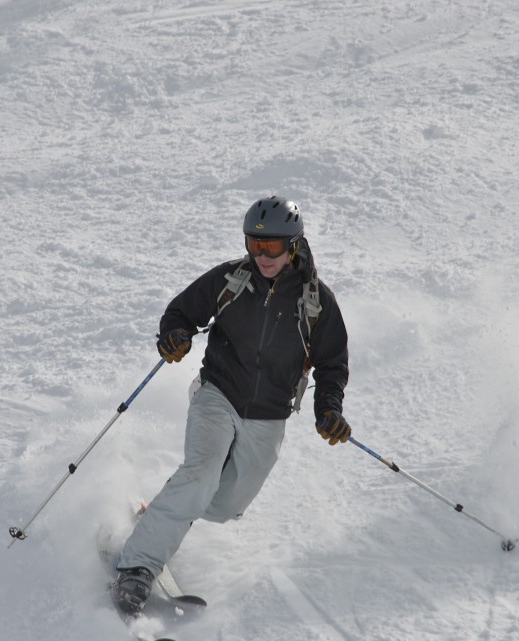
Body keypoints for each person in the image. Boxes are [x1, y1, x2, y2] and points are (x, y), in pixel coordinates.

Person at [113, 195, 352, 616]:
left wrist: (328, 410)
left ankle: (162, 513)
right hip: (218, 394)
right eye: (253, 244)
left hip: (268, 415)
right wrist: (175, 336)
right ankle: (138, 565)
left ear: (293, 245)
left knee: (223, 506)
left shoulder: (317, 302)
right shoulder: (230, 280)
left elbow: (332, 363)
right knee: (202, 474)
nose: (261, 255)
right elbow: (181, 311)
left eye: (272, 246)